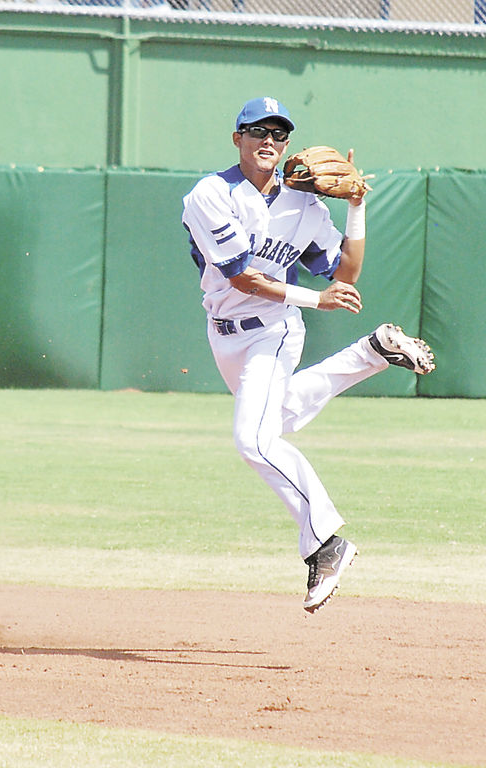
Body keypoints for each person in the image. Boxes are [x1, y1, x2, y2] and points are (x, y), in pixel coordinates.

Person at [181, 97, 435, 614]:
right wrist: (315, 298)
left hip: (273, 332)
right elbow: (241, 277)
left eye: (278, 133)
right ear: (237, 138)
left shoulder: (306, 207)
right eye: (257, 131)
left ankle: (325, 542)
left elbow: (345, 273)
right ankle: (372, 350)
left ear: (287, 144)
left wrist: (357, 205)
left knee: (254, 440)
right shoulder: (211, 195)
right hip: (225, 331)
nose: (268, 140)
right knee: (279, 420)